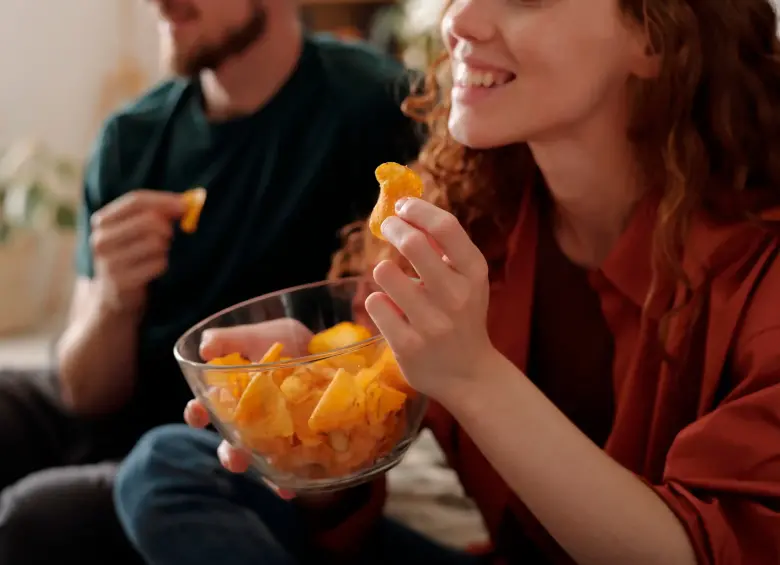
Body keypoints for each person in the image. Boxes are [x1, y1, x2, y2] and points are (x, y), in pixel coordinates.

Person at [114, 0, 780, 564]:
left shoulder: (761, 271)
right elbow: (345, 491)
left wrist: (472, 375)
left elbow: (702, 549)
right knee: (157, 469)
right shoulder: (468, 207)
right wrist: (314, 427)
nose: (458, 19)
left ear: (659, 36)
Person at [0, 1, 418, 563]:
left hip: (225, 460)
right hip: (117, 416)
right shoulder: (131, 136)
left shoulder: (376, 108)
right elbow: (84, 392)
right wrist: (113, 301)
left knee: (31, 519)